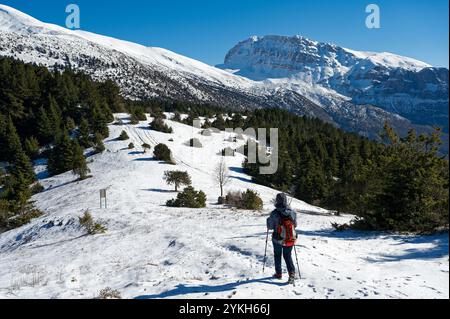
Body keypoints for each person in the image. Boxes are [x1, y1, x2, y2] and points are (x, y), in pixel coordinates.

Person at [266, 193, 297, 281]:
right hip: (289, 238)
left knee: (277, 255)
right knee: (287, 255)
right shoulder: (292, 212)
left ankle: (278, 273)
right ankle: (291, 273)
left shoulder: (274, 213)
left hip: (277, 239)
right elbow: (295, 225)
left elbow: (270, 227)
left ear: (277, 200)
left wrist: (269, 220)